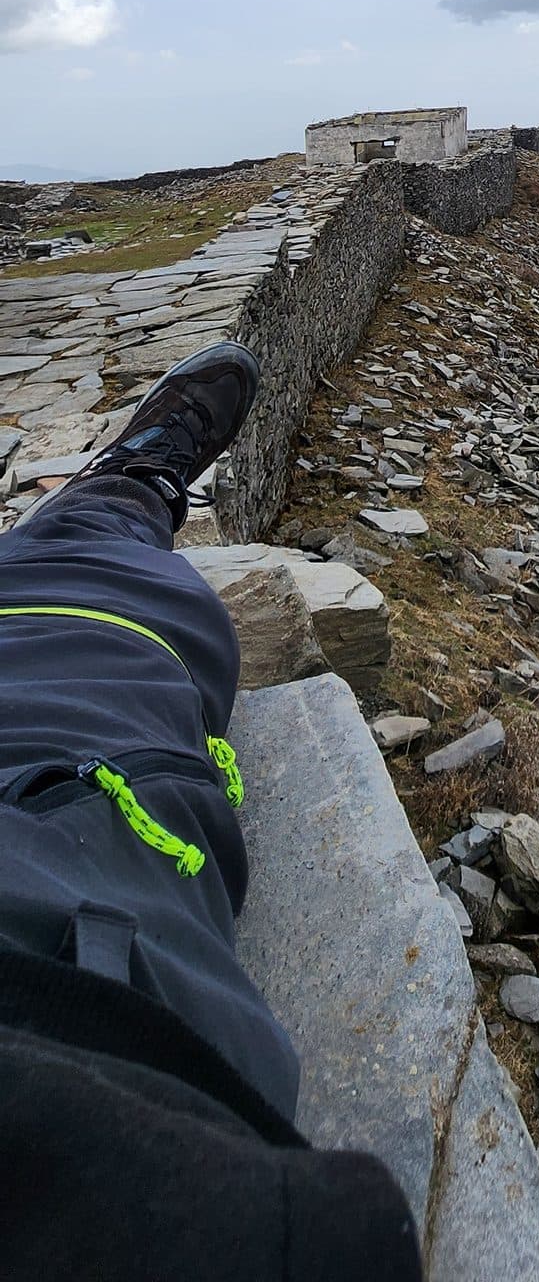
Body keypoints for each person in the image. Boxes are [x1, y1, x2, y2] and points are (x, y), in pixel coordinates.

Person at [0, 343, 421, 1282]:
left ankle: (127, 490)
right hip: (108, 971)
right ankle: (134, 488)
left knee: (77, 611)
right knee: (99, 622)